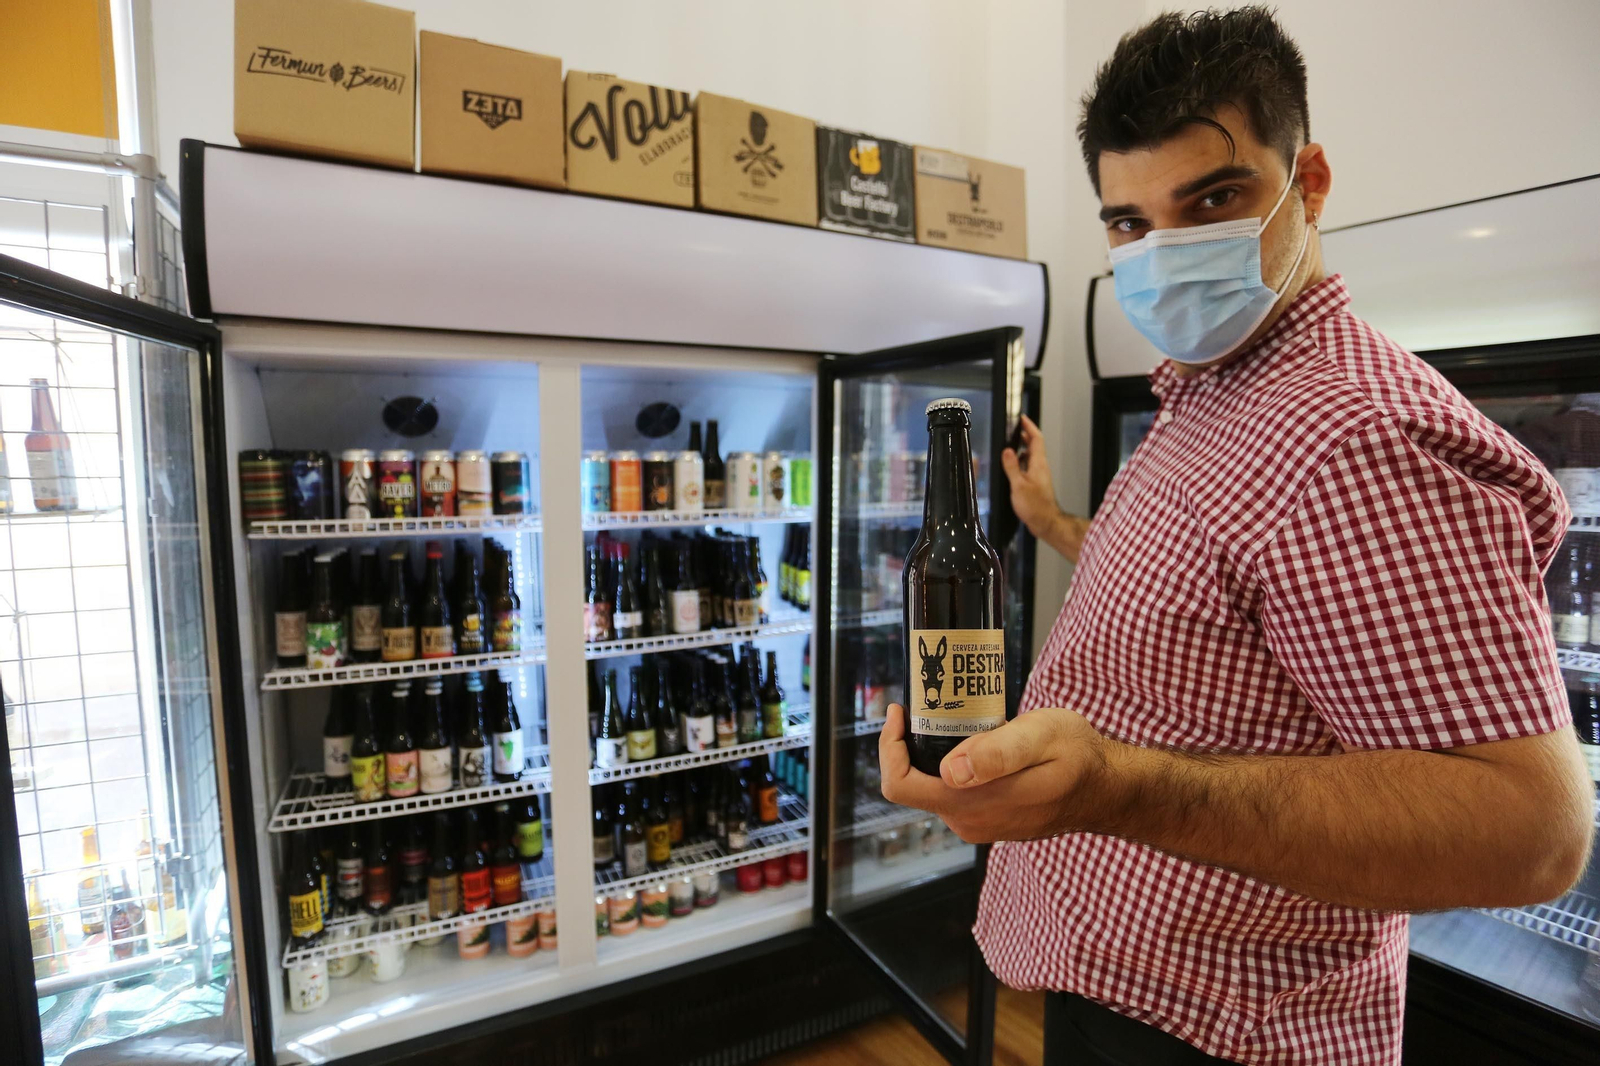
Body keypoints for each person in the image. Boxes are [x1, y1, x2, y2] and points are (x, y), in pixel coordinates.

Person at [878, 8, 1594, 1065]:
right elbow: (1212, 602)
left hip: (1220, 1034)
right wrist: (1048, 523)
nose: (1164, 254)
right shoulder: (1211, 388)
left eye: (1212, 199)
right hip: (1121, 995)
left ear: (1307, 185)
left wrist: (1116, 784)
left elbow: (1532, 833)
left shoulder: (1356, 432)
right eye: (1128, 223)